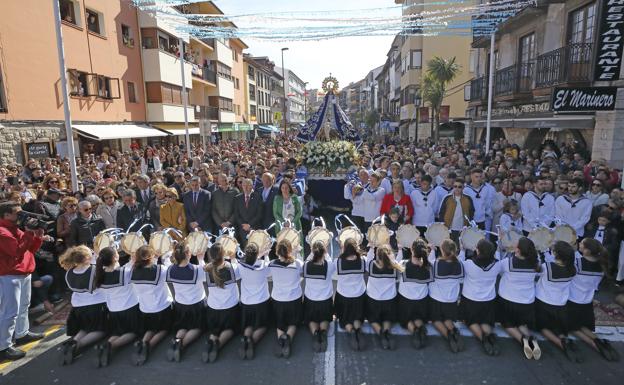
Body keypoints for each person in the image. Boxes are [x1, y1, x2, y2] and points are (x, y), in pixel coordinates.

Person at [0, 201, 45, 361]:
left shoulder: (14, 229)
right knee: (9, 311)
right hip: (9, 275)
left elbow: (30, 249)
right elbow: (16, 251)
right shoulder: (3, 231)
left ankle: (22, 333)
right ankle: (3, 346)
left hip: (24, 272)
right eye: (17, 213)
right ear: (6, 215)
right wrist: (28, 232)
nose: (21, 215)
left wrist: (37, 235)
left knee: (23, 306)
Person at [567, 238, 620, 361]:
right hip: (587, 302)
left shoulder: (577, 263)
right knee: (581, 325)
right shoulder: (602, 265)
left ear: (587, 251)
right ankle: (599, 340)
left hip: (573, 300)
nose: (579, 243)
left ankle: (594, 344)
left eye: (582, 244)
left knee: (572, 327)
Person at [59, 245, 107, 365]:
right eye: (90, 253)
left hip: (79, 309)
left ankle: (73, 342)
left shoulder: (69, 272)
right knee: (101, 330)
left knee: (85, 328)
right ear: (86, 258)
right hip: (96, 306)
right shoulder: (95, 270)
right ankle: (77, 345)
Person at [93, 247, 140, 367]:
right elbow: (131, 269)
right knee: (133, 332)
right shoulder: (125, 272)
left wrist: (132, 262)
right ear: (115, 257)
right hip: (130, 310)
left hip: (113, 312)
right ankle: (110, 346)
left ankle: (105, 345)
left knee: (117, 332)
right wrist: (134, 260)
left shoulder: (100, 276)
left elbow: (122, 268)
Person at [497, 237, 542, 360]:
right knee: (521, 323)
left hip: (508, 300)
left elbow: (497, 269)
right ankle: (532, 340)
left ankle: (523, 341)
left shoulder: (508, 262)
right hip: (527, 303)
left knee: (508, 325)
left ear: (517, 250)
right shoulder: (536, 264)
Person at [535, 241, 578, 362]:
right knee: (558, 328)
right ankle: (565, 338)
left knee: (543, 328)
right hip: (561, 306)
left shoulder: (547, 266)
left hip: (544, 304)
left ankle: (560, 343)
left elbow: (536, 269)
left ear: (556, 254)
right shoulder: (573, 269)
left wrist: (538, 254)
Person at [130, 245, 173, 366]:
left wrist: (154, 258)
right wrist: (162, 258)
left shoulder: (133, 270)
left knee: (150, 329)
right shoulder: (160, 269)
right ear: (151, 256)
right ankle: (149, 345)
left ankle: (143, 341)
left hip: (145, 310)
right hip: (162, 308)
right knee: (163, 330)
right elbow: (170, 270)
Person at [460, 239, 501, 356]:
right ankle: (491, 338)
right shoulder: (497, 264)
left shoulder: (468, 264)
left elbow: (459, 262)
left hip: (470, 300)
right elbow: (497, 259)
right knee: (485, 322)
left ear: (478, 251)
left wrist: (462, 250)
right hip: (488, 301)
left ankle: (483, 340)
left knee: (471, 321)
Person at [166, 244, 206, 362]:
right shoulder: (197, 269)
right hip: (196, 306)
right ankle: (182, 345)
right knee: (196, 328)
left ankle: (176, 340)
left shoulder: (169, 269)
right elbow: (207, 273)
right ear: (188, 254)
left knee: (183, 327)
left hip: (180, 306)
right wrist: (200, 259)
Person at [203, 243, 240, 363]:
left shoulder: (205, 270)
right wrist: (233, 257)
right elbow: (237, 267)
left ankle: (210, 342)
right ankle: (218, 345)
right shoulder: (233, 268)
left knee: (215, 331)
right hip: (230, 309)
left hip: (213, 310)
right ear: (224, 254)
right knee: (230, 329)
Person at [268, 240, 303, 358]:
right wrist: (298, 253)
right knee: (293, 323)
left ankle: (280, 341)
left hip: (278, 300)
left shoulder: (272, 263)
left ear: (277, 251)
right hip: (294, 300)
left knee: (280, 324)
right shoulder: (297, 263)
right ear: (290, 250)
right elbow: (302, 272)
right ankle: (288, 338)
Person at [365, 244, 404, 350]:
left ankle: (381, 334)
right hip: (389, 301)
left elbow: (368, 258)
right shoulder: (395, 267)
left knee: (372, 319)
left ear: (377, 255)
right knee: (388, 318)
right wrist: (400, 249)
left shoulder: (370, 265)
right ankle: (387, 332)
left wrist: (372, 248)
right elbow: (399, 259)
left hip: (373, 300)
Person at [429, 239, 464, 353]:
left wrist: (431, 250)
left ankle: (449, 336)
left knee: (436, 320)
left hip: (437, 299)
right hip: (452, 300)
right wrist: (462, 250)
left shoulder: (435, 263)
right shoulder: (460, 264)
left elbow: (429, 261)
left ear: (442, 251)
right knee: (448, 319)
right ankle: (454, 330)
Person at [238, 243, 271, 360]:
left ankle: (245, 338)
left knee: (249, 324)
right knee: (263, 325)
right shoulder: (263, 265)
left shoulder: (240, 266)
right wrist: (265, 255)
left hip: (247, 303)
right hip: (262, 302)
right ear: (257, 254)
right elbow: (269, 270)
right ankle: (252, 341)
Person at [333, 238, 367, 351]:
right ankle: (358, 330)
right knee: (357, 316)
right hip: (359, 296)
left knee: (345, 319)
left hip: (343, 296)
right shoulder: (363, 260)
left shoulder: (338, 261)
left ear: (344, 248)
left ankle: (351, 331)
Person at [397, 238, 432, 349]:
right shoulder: (429, 266)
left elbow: (394, 264)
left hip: (405, 301)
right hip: (422, 301)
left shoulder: (403, 264)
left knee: (406, 320)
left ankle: (415, 332)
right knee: (417, 317)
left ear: (412, 251)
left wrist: (399, 250)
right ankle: (421, 328)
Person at [303, 241, 334, 352]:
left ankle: (316, 334)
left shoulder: (306, 265)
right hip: (325, 301)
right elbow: (329, 258)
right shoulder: (329, 265)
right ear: (324, 251)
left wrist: (312, 251)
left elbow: (308, 259)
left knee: (311, 319)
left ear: (312, 251)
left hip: (310, 300)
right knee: (325, 318)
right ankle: (323, 333)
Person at [438, 178, 475, 245]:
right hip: (449, 229)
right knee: (449, 248)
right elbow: (441, 213)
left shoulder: (468, 198)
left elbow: (472, 212)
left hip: (463, 229)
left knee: (461, 249)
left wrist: (469, 225)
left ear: (463, 188)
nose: (457, 188)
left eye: (459, 187)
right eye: (455, 186)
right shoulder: (447, 198)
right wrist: (442, 226)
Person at [233, 178, 263, 247]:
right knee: (244, 248)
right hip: (242, 228)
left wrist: (249, 225)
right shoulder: (237, 198)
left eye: (248, 185)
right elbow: (236, 214)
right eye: (244, 185)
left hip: (254, 227)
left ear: (252, 186)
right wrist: (243, 225)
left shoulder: (258, 197)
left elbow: (259, 214)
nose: (245, 187)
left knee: (254, 247)